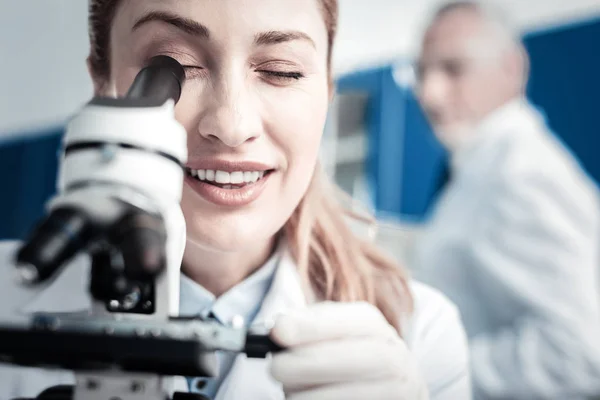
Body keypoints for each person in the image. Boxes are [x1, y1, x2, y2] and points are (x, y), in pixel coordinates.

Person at [0, 1, 472, 399]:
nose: (231, 123)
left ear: (326, 93)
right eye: (174, 66)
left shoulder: (422, 335)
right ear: (103, 86)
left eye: (280, 71)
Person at [412, 1, 600, 399]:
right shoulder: (478, 166)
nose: (429, 94)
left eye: (453, 69)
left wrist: (424, 365)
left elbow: (581, 352)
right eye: (421, 72)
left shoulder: (523, 175)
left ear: (512, 68)